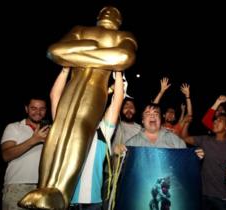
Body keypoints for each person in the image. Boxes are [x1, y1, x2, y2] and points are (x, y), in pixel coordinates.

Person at [19, 6, 137, 210]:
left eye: (115, 11)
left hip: (94, 95)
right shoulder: (80, 29)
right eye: (105, 9)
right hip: (72, 89)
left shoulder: (123, 36)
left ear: (120, 19)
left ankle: (61, 191)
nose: (109, 12)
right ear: (98, 14)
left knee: (80, 130)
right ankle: (44, 187)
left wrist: (79, 51)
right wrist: (98, 55)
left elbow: (124, 58)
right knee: (59, 131)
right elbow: (54, 51)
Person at [47, 67, 124, 210]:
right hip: (63, 201)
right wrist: (65, 69)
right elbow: (55, 96)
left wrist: (118, 71)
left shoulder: (103, 131)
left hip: (92, 202)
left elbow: (118, 99)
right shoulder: (65, 125)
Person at [1, 96, 50, 210]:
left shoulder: (51, 130)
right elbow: (6, 155)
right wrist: (34, 140)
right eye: (33, 108)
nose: (38, 112)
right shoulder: (14, 127)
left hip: (44, 187)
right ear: (26, 109)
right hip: (18, 186)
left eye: (42, 108)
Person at [182, 111, 226, 210]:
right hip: (204, 195)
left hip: (223, 198)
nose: (215, 122)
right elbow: (184, 138)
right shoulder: (205, 140)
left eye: (220, 120)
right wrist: (186, 123)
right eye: (215, 120)